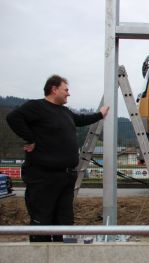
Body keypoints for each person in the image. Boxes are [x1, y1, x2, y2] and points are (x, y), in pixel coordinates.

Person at [6, 75, 109, 242]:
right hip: (43, 176)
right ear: (54, 89)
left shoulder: (64, 112)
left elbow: (81, 120)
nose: (68, 94)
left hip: (66, 176)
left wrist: (99, 114)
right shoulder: (37, 107)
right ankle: (42, 257)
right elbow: (13, 118)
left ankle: (60, 259)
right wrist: (30, 139)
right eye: (66, 90)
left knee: (64, 220)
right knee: (43, 220)